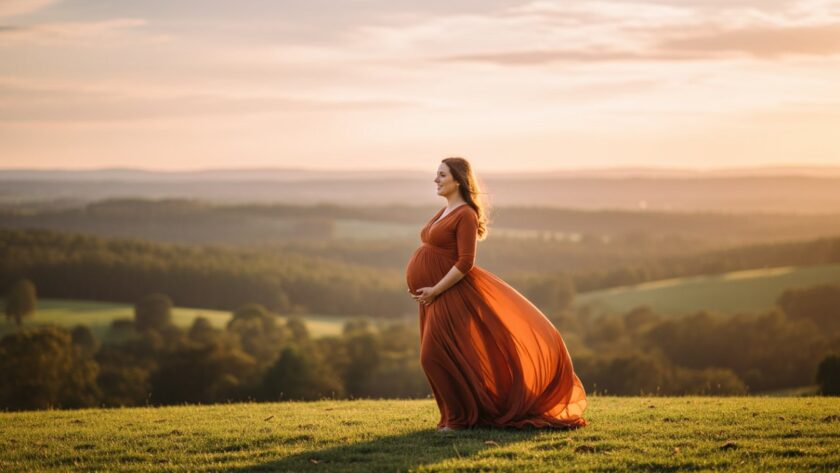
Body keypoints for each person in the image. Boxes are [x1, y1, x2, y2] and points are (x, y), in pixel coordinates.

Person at [405, 157, 588, 431]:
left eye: (442, 175)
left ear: (458, 180)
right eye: (436, 174)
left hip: (449, 294)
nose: (436, 180)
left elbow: (466, 262)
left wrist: (435, 289)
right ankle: (456, 418)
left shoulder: (465, 214)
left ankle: (457, 421)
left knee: (433, 356)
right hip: (433, 297)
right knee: (452, 356)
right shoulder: (444, 211)